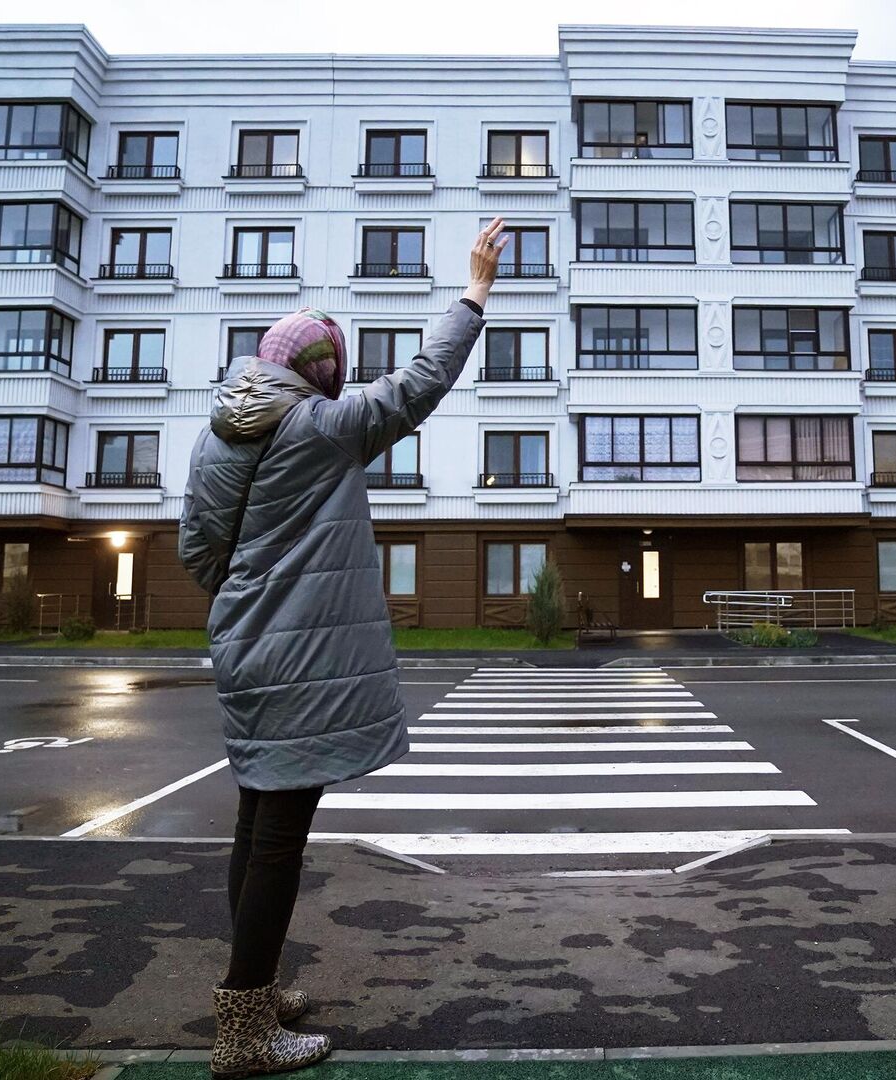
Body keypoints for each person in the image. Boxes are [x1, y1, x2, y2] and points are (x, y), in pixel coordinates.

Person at [179, 218, 509, 1077]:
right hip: (299, 662)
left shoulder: (218, 435)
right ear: (320, 373)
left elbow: (197, 554)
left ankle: (254, 985)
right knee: (280, 837)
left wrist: (254, 603)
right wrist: (473, 292)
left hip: (245, 647)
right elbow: (420, 382)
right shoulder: (324, 428)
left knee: (257, 824)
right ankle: (246, 1033)